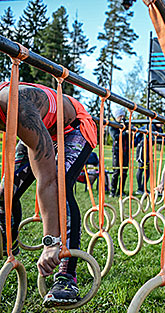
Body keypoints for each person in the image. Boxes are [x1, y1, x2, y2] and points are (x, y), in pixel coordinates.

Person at [0, 82, 97, 307]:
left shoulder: (18, 105)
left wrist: (50, 242)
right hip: (38, 129)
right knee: (4, 192)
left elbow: (47, 180)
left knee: (60, 187)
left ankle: (66, 278)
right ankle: (9, 245)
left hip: (73, 128)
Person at [109, 108, 129, 197]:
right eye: (120, 116)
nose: (122, 118)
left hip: (126, 151)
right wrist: (126, 133)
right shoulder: (113, 125)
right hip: (117, 151)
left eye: (123, 116)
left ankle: (121, 191)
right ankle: (112, 191)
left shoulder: (125, 125)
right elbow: (116, 137)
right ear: (116, 116)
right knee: (116, 171)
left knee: (124, 172)